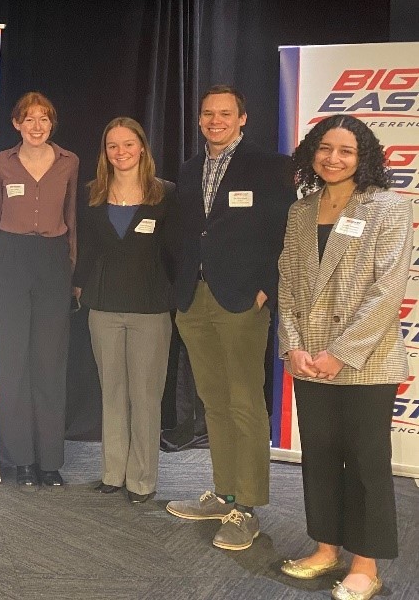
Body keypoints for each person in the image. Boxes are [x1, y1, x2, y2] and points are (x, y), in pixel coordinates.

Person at [276, 116, 411, 600]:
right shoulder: (300, 210)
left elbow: (387, 289)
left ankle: (366, 564)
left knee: (366, 462)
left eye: (346, 151)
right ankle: (326, 547)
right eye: (325, 148)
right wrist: (293, 344)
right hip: (309, 360)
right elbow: (287, 281)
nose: (333, 158)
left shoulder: (388, 208)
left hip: (364, 362)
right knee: (320, 459)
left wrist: (341, 352)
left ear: (364, 157)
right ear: (312, 152)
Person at [166, 85, 294, 551]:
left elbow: (287, 231)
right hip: (194, 299)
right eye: (207, 114)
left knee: (244, 403)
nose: (214, 120)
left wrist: (266, 287)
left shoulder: (271, 166)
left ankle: (249, 508)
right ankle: (224, 494)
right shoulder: (189, 167)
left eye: (225, 113)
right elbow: (189, 231)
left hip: (242, 299)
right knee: (214, 402)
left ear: (243, 118)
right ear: (200, 121)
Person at [74, 117, 177, 504]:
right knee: (112, 393)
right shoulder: (91, 193)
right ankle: (113, 473)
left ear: (142, 148)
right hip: (103, 306)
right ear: (105, 152)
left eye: (128, 145)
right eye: (112, 146)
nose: (121, 153)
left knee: (146, 397)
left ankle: (142, 480)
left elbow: (176, 253)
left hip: (150, 308)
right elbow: (85, 248)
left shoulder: (165, 194)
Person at [0, 92, 78, 488]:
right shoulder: (1, 164)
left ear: (52, 124)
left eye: (44, 119)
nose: (37, 126)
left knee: (49, 362)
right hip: (10, 259)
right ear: (17, 124)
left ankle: (50, 461)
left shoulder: (69, 163)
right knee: (12, 361)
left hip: (53, 260)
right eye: (29, 119)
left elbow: (73, 216)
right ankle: (20, 460)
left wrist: (73, 272)